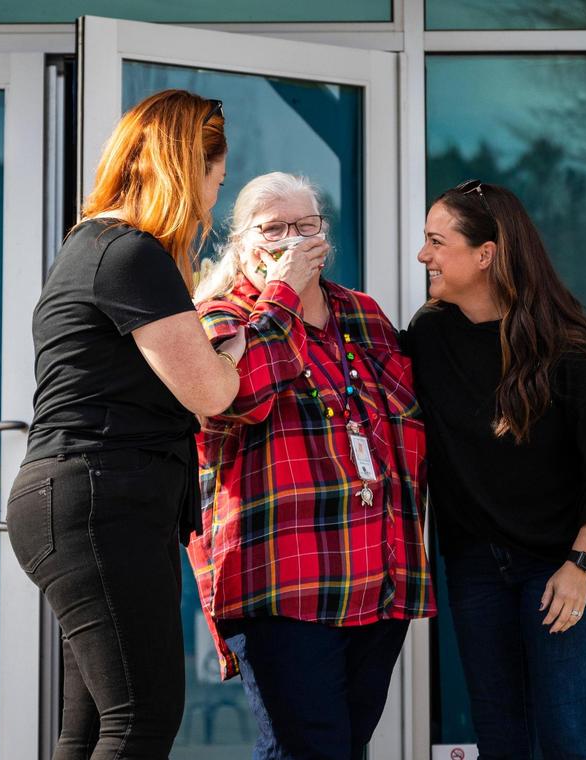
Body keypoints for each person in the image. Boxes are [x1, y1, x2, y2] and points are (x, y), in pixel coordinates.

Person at [5, 89, 246, 759]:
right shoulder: (132, 255)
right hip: (99, 503)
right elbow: (211, 393)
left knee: (89, 728)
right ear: (185, 167)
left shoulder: (93, 246)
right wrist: (237, 344)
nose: (210, 204)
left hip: (76, 501)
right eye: (214, 182)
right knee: (142, 717)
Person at [188, 172, 435, 760]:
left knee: (346, 744)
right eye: (273, 229)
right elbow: (242, 397)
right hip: (283, 578)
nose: (292, 240)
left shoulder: (363, 314)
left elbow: (413, 422)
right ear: (242, 241)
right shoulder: (220, 318)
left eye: (306, 226)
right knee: (308, 749)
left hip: (379, 572)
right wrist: (285, 295)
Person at [407, 180, 586, 760]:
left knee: (564, 736)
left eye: (437, 241)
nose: (423, 255)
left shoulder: (568, 353)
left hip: (561, 565)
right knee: (500, 737)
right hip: (475, 568)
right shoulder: (431, 335)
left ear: (486, 254)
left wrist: (580, 566)